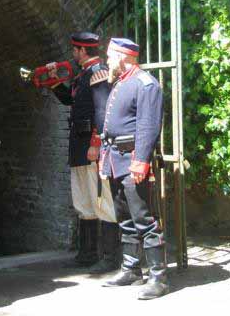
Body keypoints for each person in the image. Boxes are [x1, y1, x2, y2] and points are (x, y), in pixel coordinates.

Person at [100, 37, 168, 299]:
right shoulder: (121, 82)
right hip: (116, 161)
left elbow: (148, 125)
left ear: (122, 56)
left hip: (132, 162)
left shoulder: (145, 83)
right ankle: (131, 270)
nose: (107, 61)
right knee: (126, 219)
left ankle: (158, 278)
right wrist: (104, 159)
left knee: (145, 220)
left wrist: (141, 161)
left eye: (110, 56)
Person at [49, 32, 120, 272]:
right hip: (79, 147)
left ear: (82, 50)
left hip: (90, 146)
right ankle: (87, 253)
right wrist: (55, 82)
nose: (72, 54)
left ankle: (110, 257)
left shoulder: (98, 73)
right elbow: (71, 102)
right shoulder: (83, 75)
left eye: (74, 50)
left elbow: (103, 111)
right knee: (84, 201)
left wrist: (96, 143)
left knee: (102, 200)